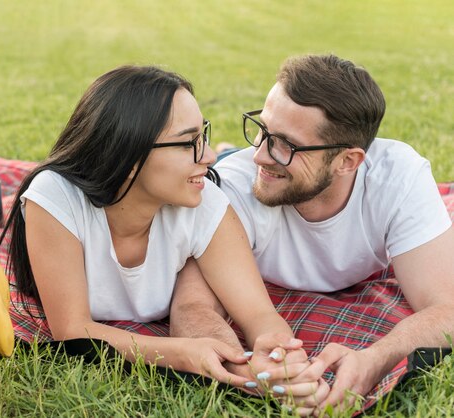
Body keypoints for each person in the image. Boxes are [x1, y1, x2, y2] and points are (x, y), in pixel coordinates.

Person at [0, 65, 321, 399]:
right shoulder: (56, 197)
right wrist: (180, 352)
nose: (206, 157)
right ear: (129, 154)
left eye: (203, 137)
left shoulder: (203, 200)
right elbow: (72, 330)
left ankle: (227, 148)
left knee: (224, 162)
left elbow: (259, 315)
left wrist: (283, 356)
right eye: (188, 143)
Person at [169, 54, 454, 413]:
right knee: (235, 161)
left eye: (286, 144)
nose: (261, 155)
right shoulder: (232, 190)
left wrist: (376, 359)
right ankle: (228, 150)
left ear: (348, 161)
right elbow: (191, 307)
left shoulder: (399, 178)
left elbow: (446, 308)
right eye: (263, 129)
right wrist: (246, 368)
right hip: (235, 175)